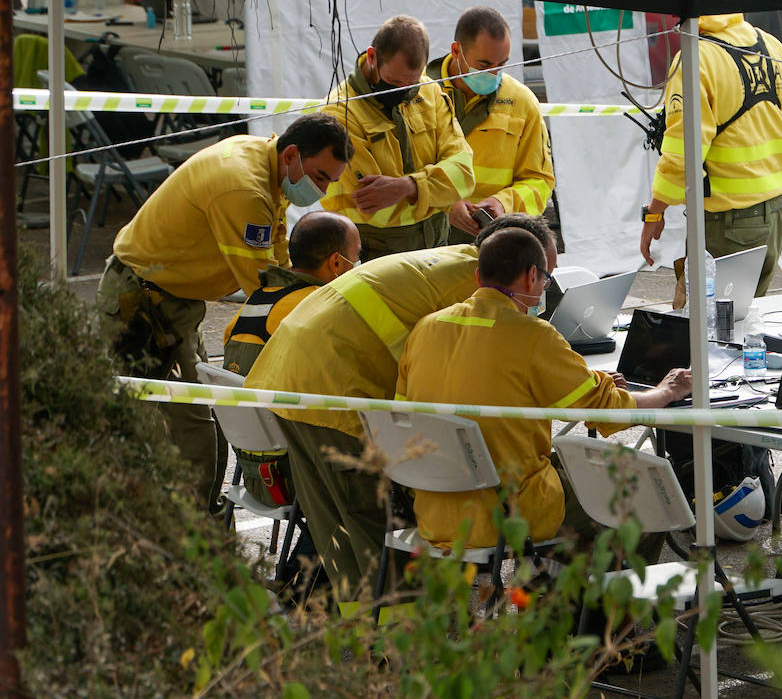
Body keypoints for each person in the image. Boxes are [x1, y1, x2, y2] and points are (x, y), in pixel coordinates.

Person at [243, 214, 557, 601]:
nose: (541, 288)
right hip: (332, 384)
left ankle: (362, 634)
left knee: (332, 523)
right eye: (543, 275)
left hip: (289, 375)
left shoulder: (451, 263)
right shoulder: (477, 287)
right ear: (522, 260)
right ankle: (395, 647)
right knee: (368, 520)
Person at [98, 113, 351, 514]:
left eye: (329, 182)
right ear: (291, 155)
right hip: (141, 304)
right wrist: (328, 314)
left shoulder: (265, 164)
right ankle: (191, 536)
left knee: (201, 418)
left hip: (171, 300)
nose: (320, 190)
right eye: (320, 177)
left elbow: (279, 257)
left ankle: (197, 527)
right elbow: (265, 289)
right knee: (178, 426)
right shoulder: (244, 188)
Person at [396, 227, 691, 556]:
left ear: (479, 277)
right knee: (643, 506)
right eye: (546, 281)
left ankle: (551, 591)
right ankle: (583, 604)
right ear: (532, 275)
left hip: (436, 507)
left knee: (571, 469)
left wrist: (581, 378)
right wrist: (665, 393)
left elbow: (420, 404)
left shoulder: (426, 327)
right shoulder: (533, 334)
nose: (543, 292)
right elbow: (605, 408)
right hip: (508, 507)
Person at [639, 12, 782, 299]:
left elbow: (683, 155)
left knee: (699, 332)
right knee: (747, 327)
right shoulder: (776, 49)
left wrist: (655, 212)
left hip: (726, 226)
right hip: (774, 217)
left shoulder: (696, 60)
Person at [321, 14, 476, 261]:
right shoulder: (340, 113)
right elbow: (374, 207)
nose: (403, 92)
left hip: (438, 244)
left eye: (410, 83)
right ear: (372, 57)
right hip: (378, 254)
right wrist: (440, 191)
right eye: (394, 82)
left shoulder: (428, 91)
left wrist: (408, 187)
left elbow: (465, 176)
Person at [425, 6, 556, 243]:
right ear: (456, 51)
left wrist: (502, 204)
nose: (493, 74)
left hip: (494, 241)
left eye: (502, 64)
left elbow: (541, 181)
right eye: (484, 65)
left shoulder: (522, 102)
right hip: (426, 241)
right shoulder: (419, 94)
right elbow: (396, 174)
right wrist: (443, 202)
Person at [222, 211, 361, 376]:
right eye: (357, 255)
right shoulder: (324, 306)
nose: (358, 263)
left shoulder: (257, 298)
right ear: (336, 262)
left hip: (239, 398)